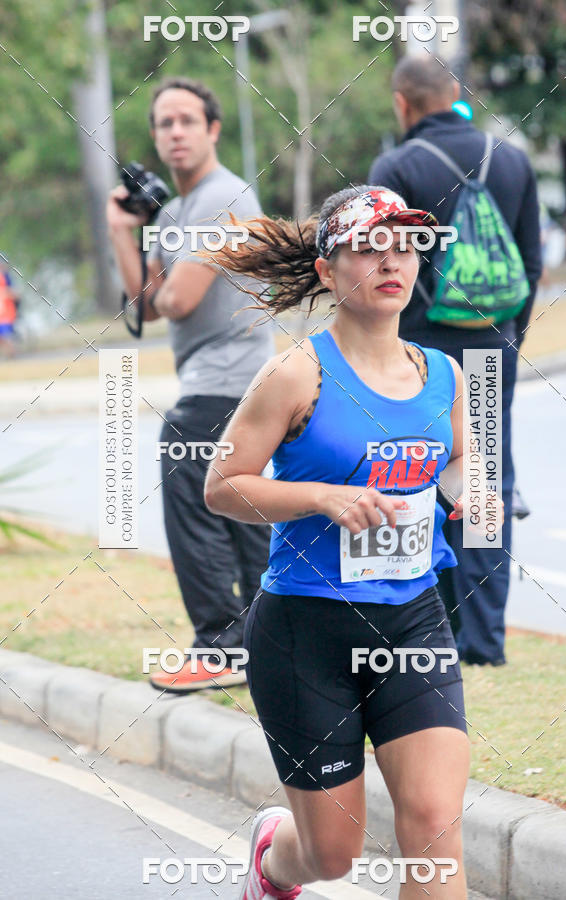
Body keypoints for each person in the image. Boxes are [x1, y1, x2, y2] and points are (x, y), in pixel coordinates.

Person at [204, 186, 500, 898]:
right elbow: (221, 485)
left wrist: (472, 495)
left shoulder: (444, 374)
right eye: (369, 247)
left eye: (403, 247)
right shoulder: (295, 373)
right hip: (306, 631)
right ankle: (274, 859)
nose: (391, 261)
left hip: (412, 619)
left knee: (433, 824)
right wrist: (320, 498)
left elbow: (458, 458)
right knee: (332, 853)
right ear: (330, 272)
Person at [368, 55, 542, 666]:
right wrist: (506, 337)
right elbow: (530, 263)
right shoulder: (512, 159)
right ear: (457, 96)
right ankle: (485, 643)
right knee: (486, 482)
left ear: (403, 103)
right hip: (493, 348)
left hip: (422, 351)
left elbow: (380, 265)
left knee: (419, 478)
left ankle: (434, 635)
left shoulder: (395, 167)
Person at [106, 76, 274, 692]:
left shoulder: (222, 196)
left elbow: (175, 299)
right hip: (236, 382)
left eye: (186, 120)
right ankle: (262, 641)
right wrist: (127, 231)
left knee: (198, 497)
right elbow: (144, 307)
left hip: (226, 380)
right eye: (163, 123)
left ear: (212, 129)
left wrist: (159, 237)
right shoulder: (182, 209)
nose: (174, 132)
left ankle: (221, 645)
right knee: (240, 510)